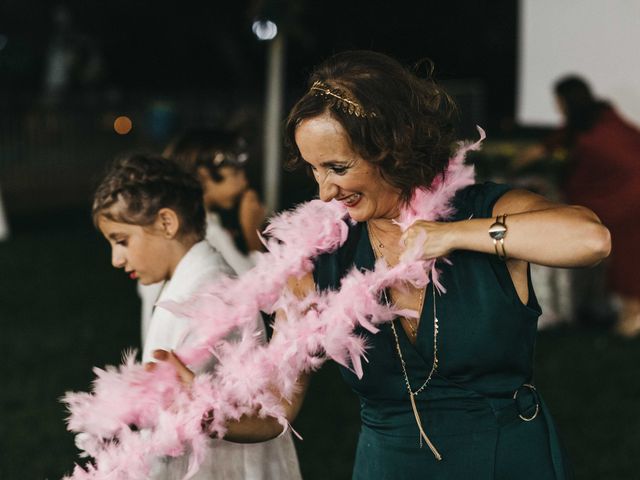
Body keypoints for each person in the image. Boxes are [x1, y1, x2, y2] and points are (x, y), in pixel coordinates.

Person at [107, 51, 611, 479]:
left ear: (394, 149)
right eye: (313, 169)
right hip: (386, 465)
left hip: (506, 461)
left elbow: (589, 238)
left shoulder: (487, 210)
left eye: (338, 167)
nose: (325, 190)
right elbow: (276, 410)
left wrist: (454, 235)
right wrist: (201, 410)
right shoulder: (318, 258)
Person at [91, 153, 301, 480]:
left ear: (166, 223)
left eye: (122, 241)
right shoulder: (189, 281)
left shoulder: (206, 298)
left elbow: (180, 420)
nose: (116, 259)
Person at [517, 75, 640, 337]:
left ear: (565, 101)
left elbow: (583, 175)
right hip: (628, 193)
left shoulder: (590, 136)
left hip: (627, 197)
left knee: (627, 259)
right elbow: (547, 147)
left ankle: (633, 316)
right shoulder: (600, 118)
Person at [138, 129, 267, 344]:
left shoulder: (175, 228)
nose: (244, 181)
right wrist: (253, 230)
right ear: (204, 177)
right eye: (236, 172)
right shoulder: (208, 233)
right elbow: (259, 291)